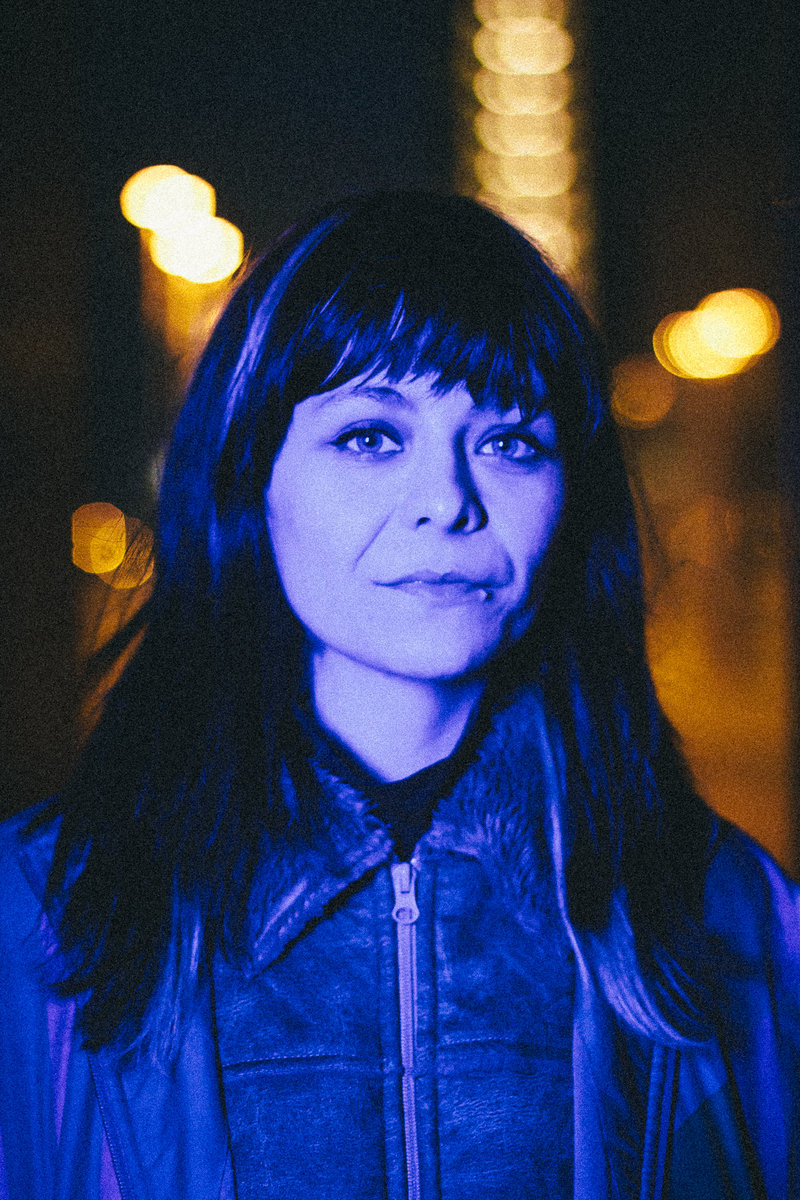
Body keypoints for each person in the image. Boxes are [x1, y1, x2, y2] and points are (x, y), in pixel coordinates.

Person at [1, 191, 798, 1200]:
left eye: (511, 442)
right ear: (251, 477)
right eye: (372, 436)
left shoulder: (725, 909)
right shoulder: (41, 913)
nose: (448, 501)